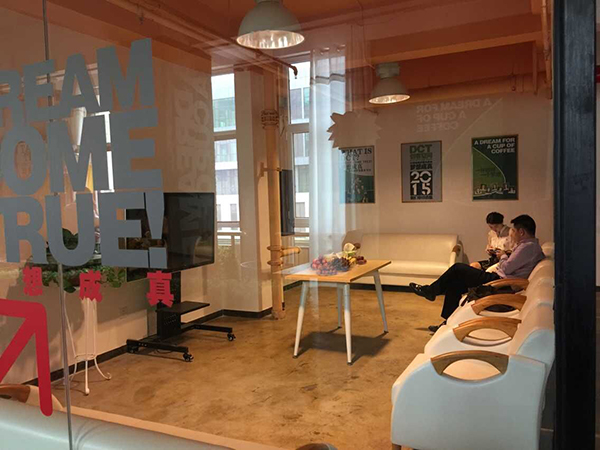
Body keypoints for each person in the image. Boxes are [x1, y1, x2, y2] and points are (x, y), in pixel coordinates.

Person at [410, 214, 545, 332]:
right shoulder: (529, 247)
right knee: (455, 284)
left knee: (458, 268)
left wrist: (503, 256)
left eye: (513, 231)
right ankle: (446, 321)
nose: (511, 234)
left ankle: (431, 291)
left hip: (500, 283)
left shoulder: (528, 247)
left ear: (521, 232)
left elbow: (506, 268)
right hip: (499, 279)